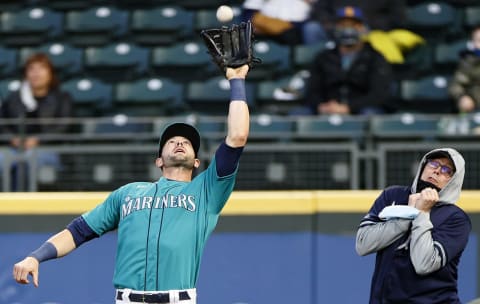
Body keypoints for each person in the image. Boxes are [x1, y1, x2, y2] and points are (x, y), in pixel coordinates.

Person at [12, 64, 251, 304]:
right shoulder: (128, 193)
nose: (179, 142)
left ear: (197, 161)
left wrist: (237, 80)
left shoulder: (206, 191)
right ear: (158, 160)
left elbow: (237, 137)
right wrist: (35, 256)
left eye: (186, 143)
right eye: (172, 141)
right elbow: (78, 232)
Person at [356, 148, 471, 303]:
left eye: (446, 170)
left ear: (454, 181)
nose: (437, 171)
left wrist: (422, 212)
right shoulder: (392, 195)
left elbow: (423, 264)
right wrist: (407, 215)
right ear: (423, 166)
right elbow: (363, 244)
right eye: (433, 163)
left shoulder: (456, 219)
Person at [292, 6, 393, 115]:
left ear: (364, 28)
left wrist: (349, 107)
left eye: (354, 25)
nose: (348, 29)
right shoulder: (323, 57)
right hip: (328, 107)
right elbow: (312, 91)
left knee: (370, 113)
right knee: (299, 113)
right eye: (343, 25)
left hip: (360, 109)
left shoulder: (375, 57)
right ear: (335, 28)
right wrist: (321, 106)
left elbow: (379, 94)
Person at [0, 53, 73, 191]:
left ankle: (22, 204)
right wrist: (12, 139)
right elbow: (2, 123)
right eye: (31, 69)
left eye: (41, 68)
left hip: (47, 149)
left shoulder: (62, 98)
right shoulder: (14, 98)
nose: (36, 73)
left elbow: (63, 127)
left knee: (28, 159)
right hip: (14, 148)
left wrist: (37, 140)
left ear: (50, 73)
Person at [240, 0, 328, 45]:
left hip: (297, 28)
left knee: (312, 28)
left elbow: (320, 10)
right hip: (266, 28)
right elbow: (249, 11)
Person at [448, 25, 480, 113]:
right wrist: (462, 97)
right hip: (475, 107)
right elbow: (456, 84)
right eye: (479, 41)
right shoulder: (467, 63)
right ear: (473, 44)